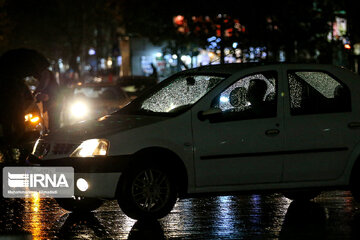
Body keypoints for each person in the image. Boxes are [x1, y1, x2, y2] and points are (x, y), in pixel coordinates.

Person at [0, 48, 49, 146]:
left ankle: (9, 147)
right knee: (19, 128)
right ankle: (10, 147)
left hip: (9, 111)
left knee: (9, 128)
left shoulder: (10, 80)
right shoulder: (14, 82)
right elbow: (21, 99)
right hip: (15, 110)